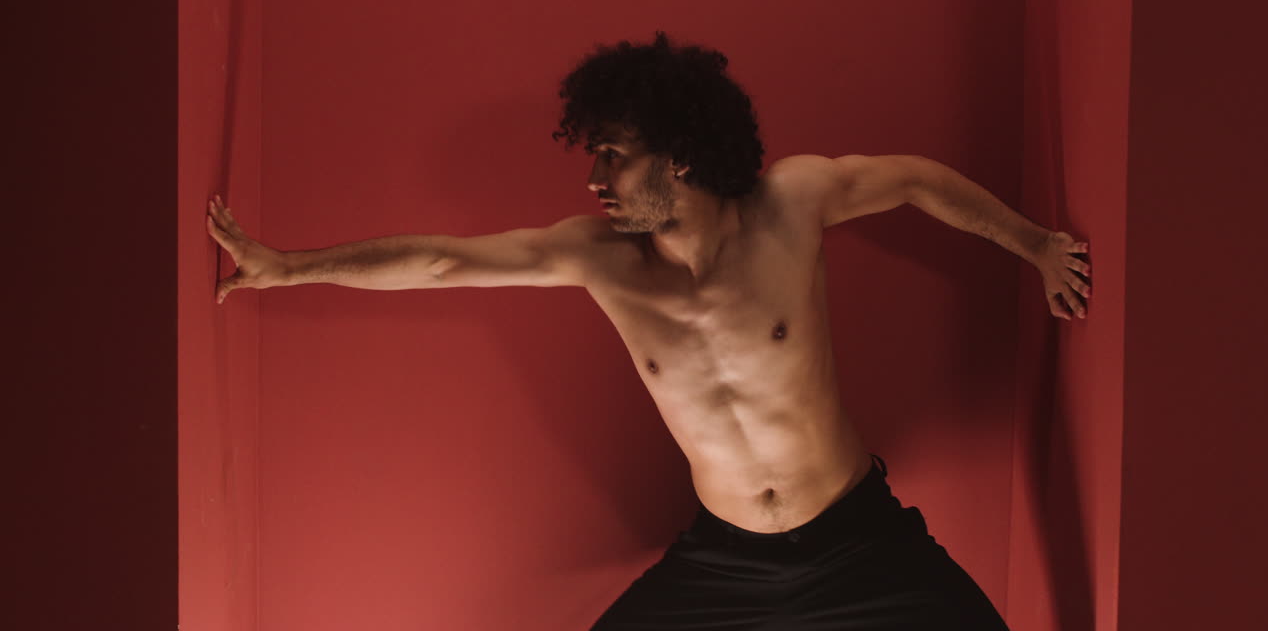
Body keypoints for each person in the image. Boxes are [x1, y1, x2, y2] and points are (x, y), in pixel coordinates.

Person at [205, 31, 1091, 629]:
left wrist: (1037, 246)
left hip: (857, 539)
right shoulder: (598, 259)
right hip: (725, 561)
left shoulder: (793, 204)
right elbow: (442, 260)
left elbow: (916, 181)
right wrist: (289, 266)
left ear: (682, 154)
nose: (594, 177)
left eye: (614, 155)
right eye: (592, 153)